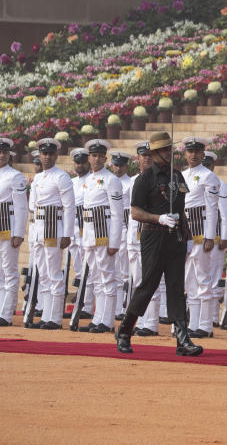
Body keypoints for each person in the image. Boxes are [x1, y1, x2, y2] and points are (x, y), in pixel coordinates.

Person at [115, 131, 203, 356]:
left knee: (175, 286)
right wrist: (158, 218)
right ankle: (125, 330)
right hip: (154, 236)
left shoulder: (177, 177)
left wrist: (188, 235)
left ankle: (182, 338)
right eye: (164, 150)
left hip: (175, 238)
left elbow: (182, 210)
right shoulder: (144, 179)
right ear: (154, 153)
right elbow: (135, 212)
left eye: (169, 149)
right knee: (148, 285)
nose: (169, 153)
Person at [77, 139, 124, 333]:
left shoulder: (111, 179)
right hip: (88, 233)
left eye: (99, 156)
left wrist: (114, 241)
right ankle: (98, 318)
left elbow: (117, 213)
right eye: (93, 155)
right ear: (89, 158)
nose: (96, 159)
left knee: (107, 277)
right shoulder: (87, 180)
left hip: (104, 233)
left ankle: (107, 320)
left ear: (105, 158)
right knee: (95, 277)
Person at [27, 138, 75, 329]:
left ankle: (54, 318)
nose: (46, 157)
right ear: (39, 155)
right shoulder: (39, 178)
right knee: (43, 274)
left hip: (53, 227)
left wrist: (67, 233)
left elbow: (69, 207)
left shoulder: (61, 177)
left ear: (56, 155)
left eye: (50, 154)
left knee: (54, 273)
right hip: (39, 227)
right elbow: (32, 206)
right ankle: (46, 315)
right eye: (43, 154)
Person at [181, 137, 221, 338]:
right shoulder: (181, 175)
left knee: (204, 278)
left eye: (197, 151)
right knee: (189, 280)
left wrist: (209, 236)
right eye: (190, 151)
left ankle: (206, 325)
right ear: (185, 154)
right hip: (185, 233)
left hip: (201, 230)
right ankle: (193, 322)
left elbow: (212, 209)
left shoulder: (209, 177)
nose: (193, 155)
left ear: (203, 154)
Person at [128, 141, 161, 336]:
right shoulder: (132, 181)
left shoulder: (161, 179)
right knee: (137, 281)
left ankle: (151, 323)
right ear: (138, 158)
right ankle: (139, 322)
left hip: (152, 236)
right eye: (144, 155)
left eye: (150, 155)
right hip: (134, 236)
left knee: (151, 281)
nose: (147, 158)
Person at [0, 137, 27, 326]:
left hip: (7, 230)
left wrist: (19, 232)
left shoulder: (14, 176)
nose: (2, 155)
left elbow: (21, 207)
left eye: (5, 152)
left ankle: (6, 314)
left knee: (9, 272)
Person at [202, 150, 227, 325]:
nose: (205, 167)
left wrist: (224, 237)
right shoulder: (196, 181)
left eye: (208, 164)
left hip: (215, 237)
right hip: (199, 236)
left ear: (213, 165)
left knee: (213, 278)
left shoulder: (220, 184)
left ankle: (212, 317)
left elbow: (225, 214)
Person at [69, 147, 94, 321]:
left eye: (83, 162)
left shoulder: (92, 180)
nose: (80, 166)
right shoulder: (71, 182)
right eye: (77, 163)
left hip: (87, 227)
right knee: (78, 269)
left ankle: (87, 305)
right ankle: (80, 302)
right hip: (73, 229)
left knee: (89, 269)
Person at [109, 151, 133, 323]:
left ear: (126, 166)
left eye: (121, 165)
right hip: (111, 227)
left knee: (125, 272)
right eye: (116, 165)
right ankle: (116, 307)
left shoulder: (130, 183)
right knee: (114, 271)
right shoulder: (108, 180)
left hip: (125, 226)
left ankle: (126, 307)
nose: (118, 168)